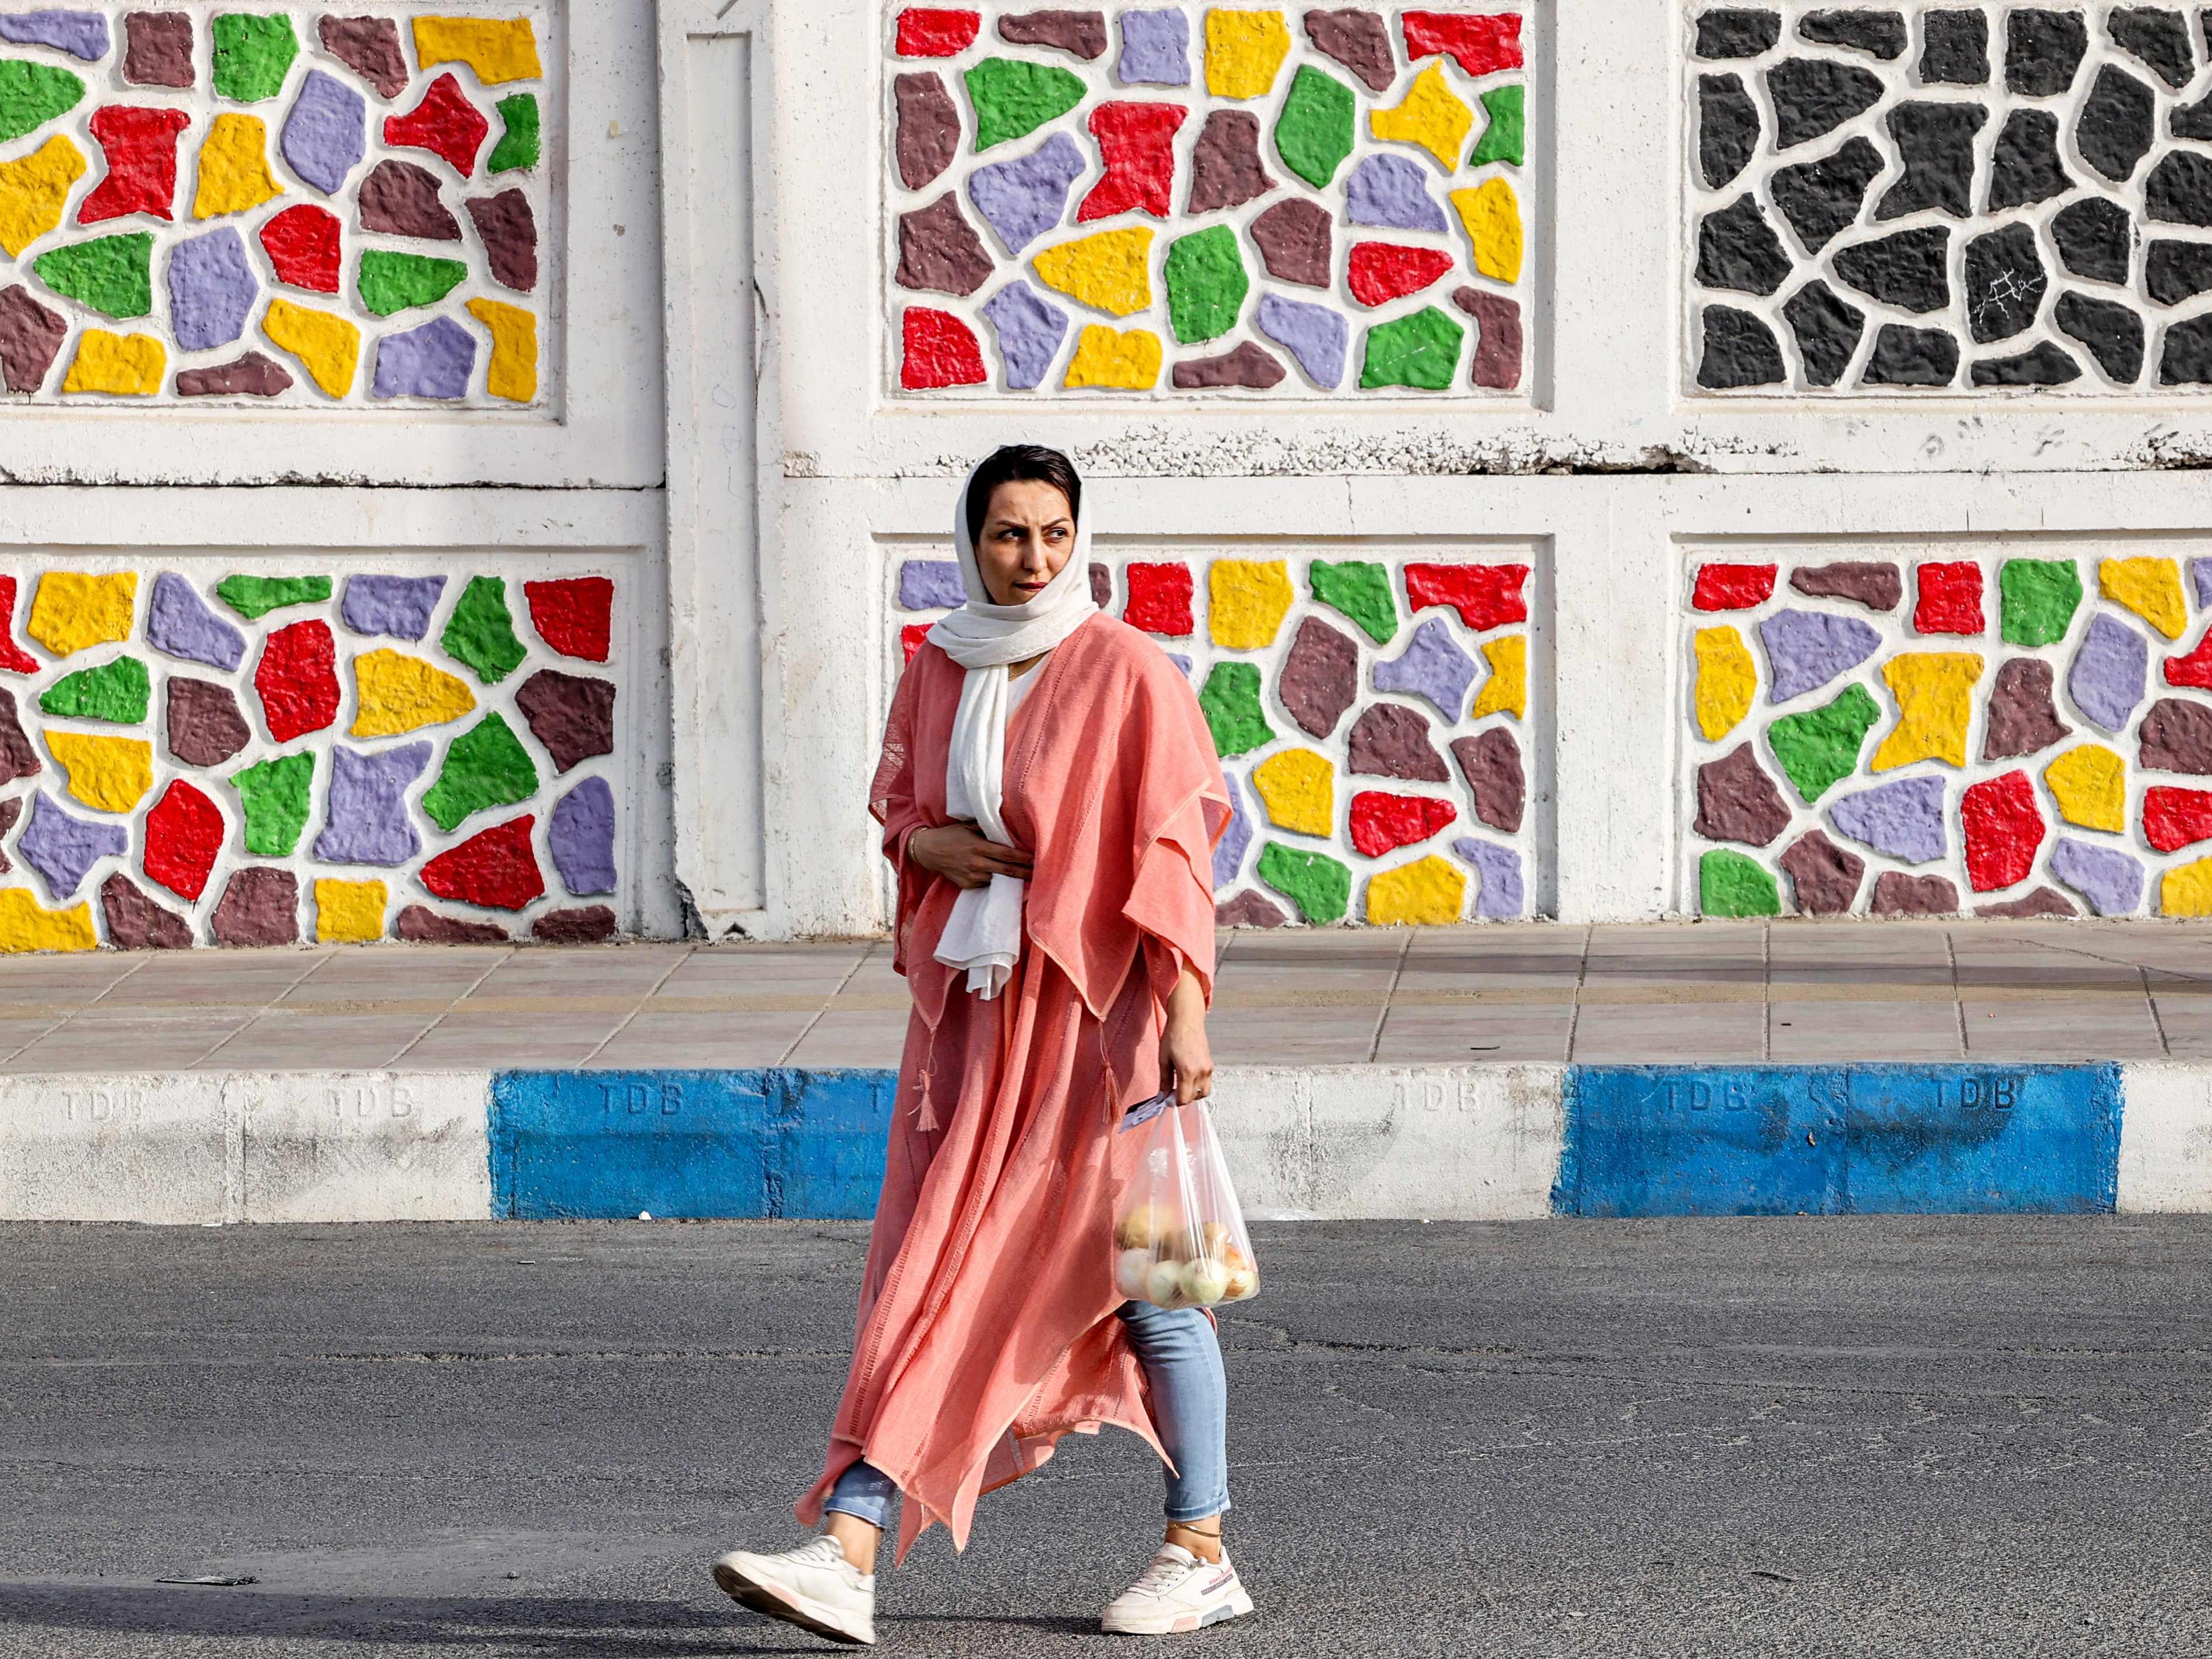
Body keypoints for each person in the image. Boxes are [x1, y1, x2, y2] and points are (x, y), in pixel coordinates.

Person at [711, 445, 1250, 1644]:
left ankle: (1195, 1552)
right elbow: (904, 808)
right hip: (976, 1024)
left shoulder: (1128, 672)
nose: (1034, 558)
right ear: (972, 542)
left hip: (1096, 1023)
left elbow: (1173, 855)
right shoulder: (940, 664)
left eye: (1055, 532)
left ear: (1080, 536)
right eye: (1009, 534)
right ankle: (853, 1545)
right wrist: (926, 848)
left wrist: (1185, 1013)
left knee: (1152, 1288)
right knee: (947, 1269)